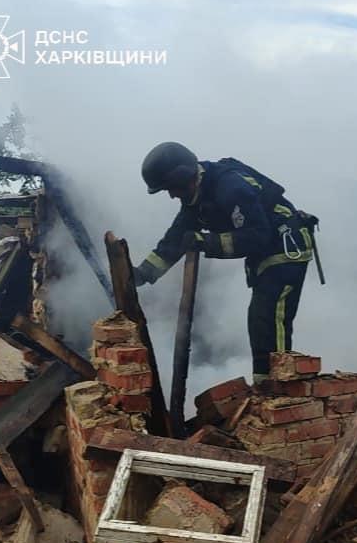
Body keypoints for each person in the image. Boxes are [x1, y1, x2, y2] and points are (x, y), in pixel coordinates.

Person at [134, 141, 316, 383]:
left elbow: (257, 235)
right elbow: (174, 241)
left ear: (184, 177)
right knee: (260, 320)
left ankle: (277, 389)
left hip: (285, 247)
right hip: (266, 253)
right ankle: (266, 389)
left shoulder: (230, 187)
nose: (171, 195)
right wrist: (142, 274)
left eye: (171, 188)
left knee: (267, 317)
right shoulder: (196, 200)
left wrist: (206, 242)